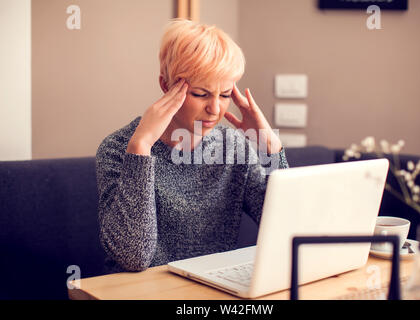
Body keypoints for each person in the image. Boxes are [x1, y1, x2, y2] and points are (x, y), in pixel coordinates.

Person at [96, 19, 289, 273]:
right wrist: (141, 148)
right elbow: (133, 257)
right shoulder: (118, 148)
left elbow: (286, 231)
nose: (215, 109)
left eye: (225, 94)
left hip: (213, 289)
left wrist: (271, 149)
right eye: (201, 94)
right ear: (166, 86)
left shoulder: (232, 147)